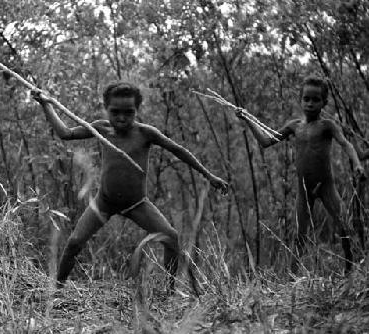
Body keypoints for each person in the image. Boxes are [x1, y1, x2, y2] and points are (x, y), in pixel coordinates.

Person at [32, 82, 228, 291]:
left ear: (137, 111)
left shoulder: (146, 133)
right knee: (74, 242)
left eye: (129, 112)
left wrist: (209, 175)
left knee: (171, 238)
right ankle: (57, 290)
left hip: (137, 204)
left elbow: (178, 150)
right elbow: (66, 133)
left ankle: (170, 291)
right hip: (104, 202)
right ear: (106, 108)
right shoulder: (101, 128)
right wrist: (46, 104)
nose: (122, 118)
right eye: (115, 112)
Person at [236, 75, 364, 273]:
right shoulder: (294, 126)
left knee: (344, 227)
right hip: (303, 190)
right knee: (300, 236)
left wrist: (357, 164)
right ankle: (292, 279)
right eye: (306, 99)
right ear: (300, 99)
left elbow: (346, 144)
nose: (310, 104)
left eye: (315, 99)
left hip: (326, 186)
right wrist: (247, 119)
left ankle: (350, 271)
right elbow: (265, 141)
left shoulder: (327, 126)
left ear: (324, 102)